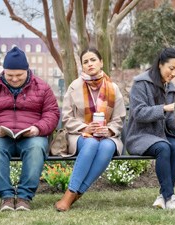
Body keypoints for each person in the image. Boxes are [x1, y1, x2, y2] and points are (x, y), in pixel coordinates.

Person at [0, 46, 60, 212]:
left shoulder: (42, 87)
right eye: (10, 75)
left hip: (31, 137)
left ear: (27, 71)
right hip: (0, 137)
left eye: (19, 75)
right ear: (4, 71)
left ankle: (24, 198)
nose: (14, 79)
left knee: (37, 147)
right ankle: (6, 197)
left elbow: (52, 114)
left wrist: (37, 128)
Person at [54, 47, 126, 212]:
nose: (90, 64)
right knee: (92, 143)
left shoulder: (112, 88)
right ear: (82, 66)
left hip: (106, 135)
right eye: (85, 61)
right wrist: (86, 127)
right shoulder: (74, 87)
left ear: (101, 62)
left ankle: (75, 193)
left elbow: (119, 118)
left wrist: (108, 130)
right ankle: (71, 192)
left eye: (93, 60)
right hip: (79, 135)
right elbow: (66, 118)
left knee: (108, 146)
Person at [125, 47, 175, 210]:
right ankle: (170, 197)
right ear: (160, 64)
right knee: (164, 148)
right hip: (140, 136)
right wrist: (165, 108)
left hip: (162, 134)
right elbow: (138, 113)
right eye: (171, 68)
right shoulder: (141, 84)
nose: (174, 73)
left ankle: (163, 196)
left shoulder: (172, 89)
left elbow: (170, 122)